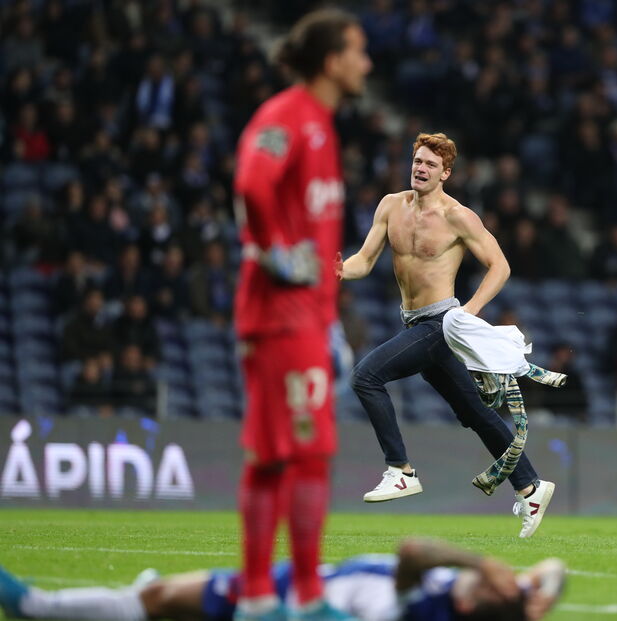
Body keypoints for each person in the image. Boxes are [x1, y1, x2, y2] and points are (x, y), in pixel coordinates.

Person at [339, 132, 556, 538]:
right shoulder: (391, 206)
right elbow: (364, 261)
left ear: (446, 173)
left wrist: (467, 313)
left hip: (441, 322)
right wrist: (339, 270)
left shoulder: (458, 216)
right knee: (474, 412)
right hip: (414, 321)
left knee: (366, 377)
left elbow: (500, 266)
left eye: (430, 165)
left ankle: (400, 470)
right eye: (417, 161)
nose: (420, 168)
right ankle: (530, 486)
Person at [232, 8, 371, 621]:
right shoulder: (289, 116)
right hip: (283, 313)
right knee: (310, 453)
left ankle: (259, 596)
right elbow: (252, 183)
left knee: (269, 456)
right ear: (332, 60)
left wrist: (330, 320)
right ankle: (309, 598)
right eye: (358, 50)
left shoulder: (321, 125)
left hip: (296, 318)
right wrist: (276, 253)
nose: (366, 63)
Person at [0, 538, 566, 621]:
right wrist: (528, 597)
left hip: (285, 601)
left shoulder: (421, 604)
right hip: (300, 583)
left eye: (500, 586)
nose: (507, 577)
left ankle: (33, 606)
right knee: (160, 597)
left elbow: (412, 549)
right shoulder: (487, 601)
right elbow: (552, 573)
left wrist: (477, 563)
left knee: (157, 598)